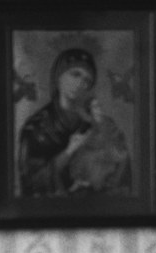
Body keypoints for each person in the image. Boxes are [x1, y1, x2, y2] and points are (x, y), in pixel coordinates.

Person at [17, 48, 131, 197]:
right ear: (58, 76)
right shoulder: (36, 127)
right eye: (75, 74)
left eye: (87, 80)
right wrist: (67, 153)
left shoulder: (101, 123)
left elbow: (122, 168)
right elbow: (30, 183)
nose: (80, 83)